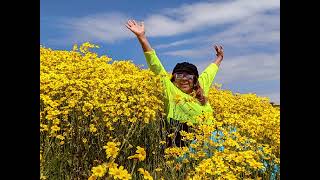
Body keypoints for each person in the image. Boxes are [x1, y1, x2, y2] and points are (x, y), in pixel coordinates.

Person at [125, 19, 224, 147]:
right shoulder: (170, 90)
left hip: (209, 139)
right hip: (183, 144)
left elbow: (210, 72)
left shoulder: (202, 86)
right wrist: (142, 38)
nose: (183, 79)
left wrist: (219, 58)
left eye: (188, 76)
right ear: (173, 78)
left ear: (195, 79)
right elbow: (156, 66)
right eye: (179, 75)